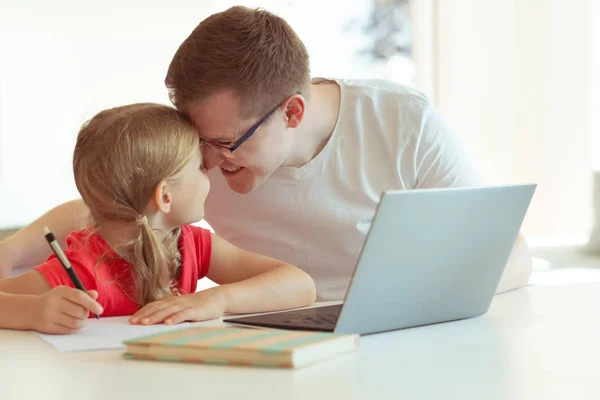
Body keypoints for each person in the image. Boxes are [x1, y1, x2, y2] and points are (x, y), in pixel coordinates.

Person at [0, 6, 532, 300]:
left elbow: (509, 252)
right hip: (254, 336)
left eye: (225, 144)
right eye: (198, 142)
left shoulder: (404, 122)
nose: (206, 162)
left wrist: (420, 304)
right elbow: (116, 209)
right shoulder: (199, 162)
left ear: (292, 113)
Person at [0, 103, 316, 334]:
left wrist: (216, 299)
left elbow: (300, 285)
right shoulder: (81, 271)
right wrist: (31, 312)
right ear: (165, 196)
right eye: (201, 168)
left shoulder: (193, 244)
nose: (211, 176)